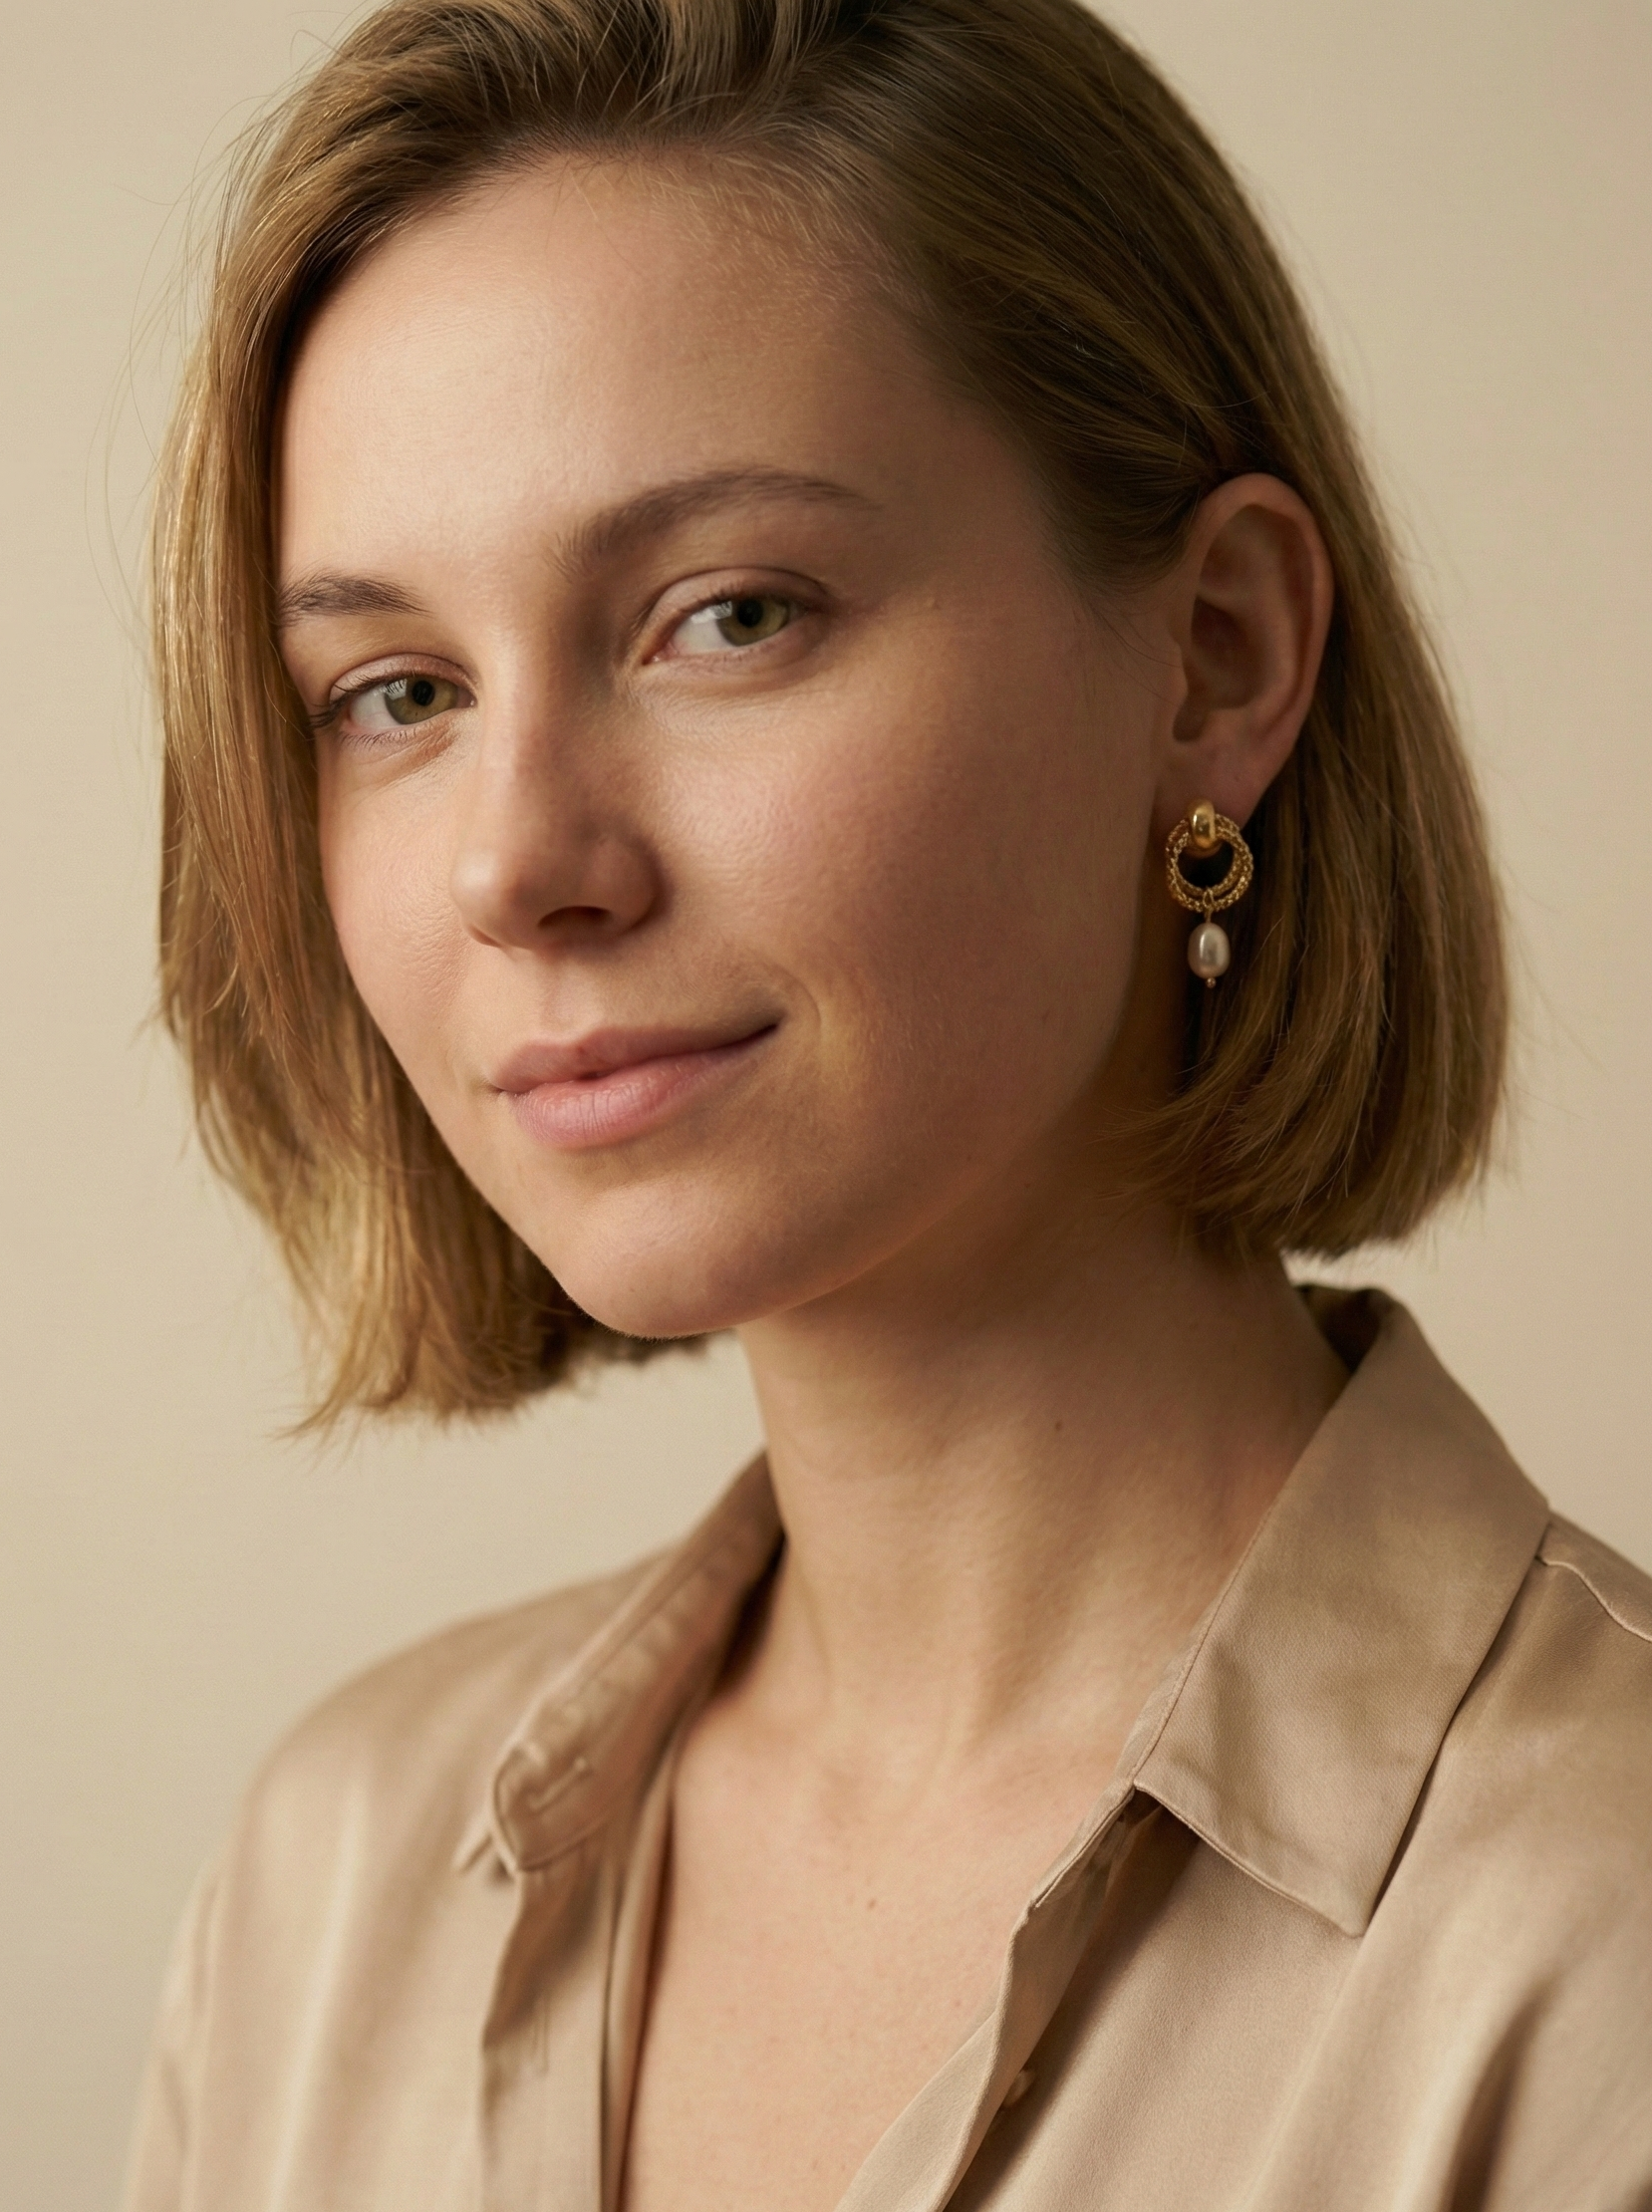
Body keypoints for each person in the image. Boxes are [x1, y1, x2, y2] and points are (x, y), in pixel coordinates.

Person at [125, 0, 1652, 2206]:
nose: (513, 862)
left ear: (1214, 655)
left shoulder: (1602, 1940)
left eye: (725, 616)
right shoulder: (330, 1886)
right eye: (398, 692)